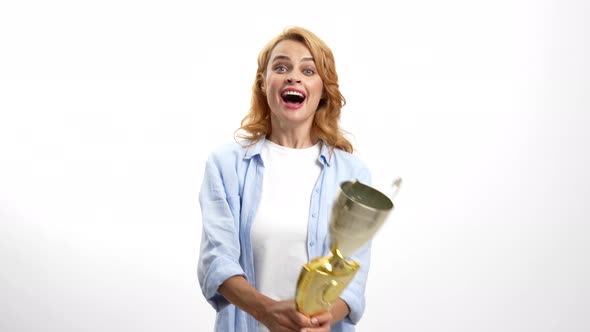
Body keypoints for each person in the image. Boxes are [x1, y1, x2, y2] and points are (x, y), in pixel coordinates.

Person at [197, 26, 372, 332]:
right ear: (264, 84)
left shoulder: (352, 175)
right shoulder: (226, 165)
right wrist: (267, 312)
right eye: (281, 67)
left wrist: (324, 318)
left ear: (323, 90)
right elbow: (216, 262)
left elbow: (353, 273)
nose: (294, 77)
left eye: (308, 69)